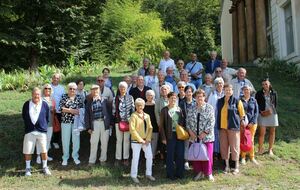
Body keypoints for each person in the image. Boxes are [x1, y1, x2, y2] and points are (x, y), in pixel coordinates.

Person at [186, 89, 215, 181]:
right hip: (194, 137)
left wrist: (204, 133)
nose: (199, 98)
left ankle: (209, 173)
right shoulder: (191, 109)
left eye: (201, 96)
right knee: (197, 155)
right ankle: (199, 172)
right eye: (197, 96)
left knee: (207, 156)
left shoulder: (209, 108)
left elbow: (211, 122)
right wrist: (190, 132)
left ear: (204, 97)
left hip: (206, 137)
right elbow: (188, 122)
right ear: (195, 98)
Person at [217, 84, 245, 175]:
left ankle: (236, 166)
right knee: (224, 147)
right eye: (226, 90)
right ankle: (226, 166)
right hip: (222, 128)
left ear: (232, 91)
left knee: (235, 147)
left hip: (233, 127)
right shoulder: (220, 101)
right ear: (223, 91)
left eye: (229, 90)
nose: (228, 91)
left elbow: (242, 115)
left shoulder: (237, 101)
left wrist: (243, 122)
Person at [22, 87, 51, 176]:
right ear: (32, 95)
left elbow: (47, 117)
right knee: (28, 150)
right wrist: (29, 125)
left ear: (40, 95)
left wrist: (42, 126)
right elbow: (24, 116)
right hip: (30, 131)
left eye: (38, 94)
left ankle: (45, 167)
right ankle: (28, 168)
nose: (36, 96)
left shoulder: (45, 104)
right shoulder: (27, 104)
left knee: (44, 150)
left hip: (41, 131)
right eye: (35, 94)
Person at [160, 92, 185, 180]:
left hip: (179, 135)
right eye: (171, 98)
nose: (173, 100)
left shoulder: (179, 109)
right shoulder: (164, 110)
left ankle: (180, 174)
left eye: (175, 98)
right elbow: (161, 126)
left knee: (180, 154)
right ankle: (170, 174)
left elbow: (182, 123)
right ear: (168, 99)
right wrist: (163, 138)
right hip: (169, 136)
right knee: (170, 155)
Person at [129, 98, 155, 183]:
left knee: (149, 157)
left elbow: (150, 128)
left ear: (144, 106)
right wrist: (140, 140)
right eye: (138, 105)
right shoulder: (133, 116)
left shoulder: (147, 116)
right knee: (135, 158)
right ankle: (133, 175)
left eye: (141, 105)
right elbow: (132, 130)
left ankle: (148, 174)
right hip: (136, 141)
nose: (140, 107)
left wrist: (147, 139)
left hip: (146, 141)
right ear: (135, 106)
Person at [85, 85, 111, 165]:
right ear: (91, 91)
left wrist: (110, 124)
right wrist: (88, 127)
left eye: (96, 89)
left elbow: (109, 112)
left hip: (104, 124)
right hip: (95, 124)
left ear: (99, 90)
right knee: (93, 143)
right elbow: (87, 115)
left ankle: (103, 160)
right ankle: (92, 161)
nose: (95, 91)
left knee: (104, 143)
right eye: (93, 89)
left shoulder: (105, 101)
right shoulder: (89, 102)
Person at [59, 82, 84, 166]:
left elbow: (80, 110)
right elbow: (61, 108)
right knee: (65, 140)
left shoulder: (79, 97)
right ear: (68, 89)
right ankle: (65, 157)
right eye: (70, 88)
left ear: (76, 90)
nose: (72, 90)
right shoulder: (64, 96)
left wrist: (68, 109)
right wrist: (72, 110)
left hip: (76, 122)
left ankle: (75, 157)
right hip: (65, 122)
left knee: (76, 140)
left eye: (74, 89)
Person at [113, 81, 135, 166]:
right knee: (119, 140)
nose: (122, 89)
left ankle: (126, 158)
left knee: (126, 140)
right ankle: (118, 158)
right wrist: (116, 120)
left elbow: (132, 109)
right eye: (121, 87)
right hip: (118, 122)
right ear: (119, 88)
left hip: (128, 122)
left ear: (126, 89)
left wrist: (130, 120)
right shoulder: (116, 98)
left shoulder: (130, 97)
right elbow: (114, 110)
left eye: (124, 88)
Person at [255, 79, 278, 156]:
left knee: (272, 132)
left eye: (266, 84)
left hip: (272, 114)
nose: (264, 86)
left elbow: (275, 104)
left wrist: (270, 111)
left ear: (269, 84)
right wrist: (261, 111)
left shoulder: (274, 92)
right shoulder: (259, 93)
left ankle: (270, 149)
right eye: (263, 84)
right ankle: (260, 149)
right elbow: (256, 104)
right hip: (262, 114)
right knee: (261, 133)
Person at [36, 84, 55, 164]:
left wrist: (53, 111)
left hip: (50, 122)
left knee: (48, 139)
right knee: (40, 140)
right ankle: (38, 156)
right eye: (46, 88)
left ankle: (45, 155)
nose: (47, 90)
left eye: (49, 88)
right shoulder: (40, 99)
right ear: (43, 89)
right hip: (42, 123)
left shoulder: (52, 99)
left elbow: (54, 111)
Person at [240, 85, 259, 165]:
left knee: (251, 140)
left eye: (247, 89)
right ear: (243, 91)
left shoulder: (253, 100)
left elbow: (256, 112)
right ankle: (243, 157)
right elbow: (238, 111)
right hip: (242, 124)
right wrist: (242, 121)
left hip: (252, 124)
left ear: (250, 91)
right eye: (245, 89)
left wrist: (252, 122)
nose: (246, 91)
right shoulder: (239, 100)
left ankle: (252, 157)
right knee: (243, 140)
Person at [207, 77, 225, 159]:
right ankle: (216, 152)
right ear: (215, 85)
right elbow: (209, 105)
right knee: (215, 134)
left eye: (221, 83)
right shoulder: (212, 93)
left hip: (223, 117)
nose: (219, 85)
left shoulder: (225, 93)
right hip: (215, 116)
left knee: (223, 134)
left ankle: (222, 151)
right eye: (217, 83)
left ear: (223, 84)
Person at [179, 86, 196, 170]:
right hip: (185, 127)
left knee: (194, 144)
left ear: (192, 93)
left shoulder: (196, 102)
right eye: (187, 92)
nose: (189, 93)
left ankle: (194, 160)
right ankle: (186, 161)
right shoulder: (181, 103)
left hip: (195, 127)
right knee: (186, 145)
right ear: (184, 93)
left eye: (190, 92)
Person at [51, 73, 65, 149]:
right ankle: (48, 141)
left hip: (59, 111)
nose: (56, 79)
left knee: (58, 127)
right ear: (52, 78)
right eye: (54, 77)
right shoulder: (48, 87)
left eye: (57, 78)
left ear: (59, 79)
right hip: (49, 110)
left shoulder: (61, 88)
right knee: (49, 127)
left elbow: (63, 99)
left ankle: (55, 141)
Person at [144, 90, 159, 157]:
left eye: (151, 95)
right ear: (146, 96)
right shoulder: (143, 105)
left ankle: (152, 157)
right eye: (148, 95)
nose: (150, 97)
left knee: (154, 142)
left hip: (155, 126)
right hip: (146, 127)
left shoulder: (156, 105)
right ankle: (147, 156)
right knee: (147, 143)